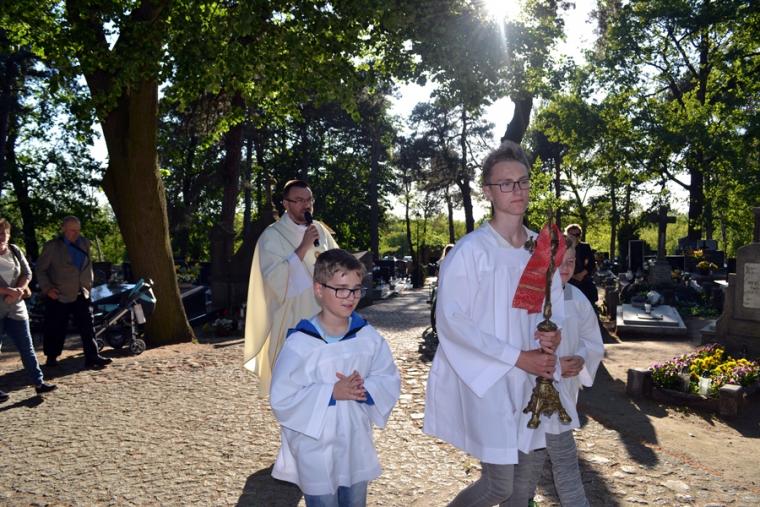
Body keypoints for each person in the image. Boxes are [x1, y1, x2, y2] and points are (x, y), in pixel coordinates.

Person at [423, 140, 565, 506]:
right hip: (491, 377)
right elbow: (453, 321)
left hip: (534, 378)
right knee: (498, 486)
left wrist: (554, 334)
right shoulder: (472, 251)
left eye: (523, 181)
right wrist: (517, 357)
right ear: (487, 191)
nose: (517, 190)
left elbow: (553, 304)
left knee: (522, 491)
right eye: (505, 183)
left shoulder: (539, 247)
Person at [269, 248, 400, 506]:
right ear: (319, 289)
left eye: (356, 289)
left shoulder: (367, 338)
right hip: (315, 447)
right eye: (341, 289)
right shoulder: (300, 343)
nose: (350, 297)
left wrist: (366, 389)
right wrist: (331, 392)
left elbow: (387, 376)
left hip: (354, 442)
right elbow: (283, 397)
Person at [522, 236, 605, 506]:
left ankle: (522, 500)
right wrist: (556, 366)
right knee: (551, 459)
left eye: (571, 261)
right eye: (560, 261)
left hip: (563, 390)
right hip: (532, 393)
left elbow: (591, 339)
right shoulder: (529, 298)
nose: (567, 268)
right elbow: (520, 346)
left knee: (538, 458)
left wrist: (581, 358)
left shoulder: (576, 297)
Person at [243, 179, 339, 395]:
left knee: (327, 386)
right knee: (296, 388)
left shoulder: (320, 230)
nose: (306, 205)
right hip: (293, 318)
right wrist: (303, 247)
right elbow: (274, 281)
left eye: (309, 200)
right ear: (285, 204)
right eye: (299, 200)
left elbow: (338, 262)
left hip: (326, 317)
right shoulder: (272, 236)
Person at [35, 216, 112, 370]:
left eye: (77, 230)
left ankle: (92, 356)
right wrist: (48, 289)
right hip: (59, 294)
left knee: (88, 327)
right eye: (72, 230)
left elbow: (87, 266)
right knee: (56, 327)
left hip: (82, 293)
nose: (75, 234)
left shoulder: (84, 243)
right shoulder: (52, 246)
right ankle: (51, 357)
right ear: (63, 229)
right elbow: (40, 269)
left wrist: (88, 284)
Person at [0, 219, 57, 402]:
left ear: (9, 235)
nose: (1, 237)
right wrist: (7, 291)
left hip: (16, 307)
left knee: (27, 347)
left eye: (4, 234)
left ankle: (39, 383)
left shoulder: (15, 250)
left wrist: (18, 290)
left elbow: (27, 272)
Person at [564, 224, 598, 307]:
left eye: (577, 234)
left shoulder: (585, 246)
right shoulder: (562, 247)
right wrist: (572, 276)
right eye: (572, 234)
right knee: (569, 304)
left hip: (583, 279)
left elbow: (592, 264)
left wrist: (581, 274)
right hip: (568, 280)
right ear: (567, 234)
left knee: (590, 298)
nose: (575, 237)